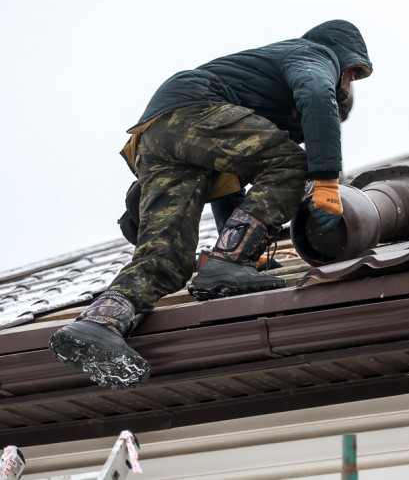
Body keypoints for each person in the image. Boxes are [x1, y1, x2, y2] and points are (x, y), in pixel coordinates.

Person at [48, 20, 373, 390]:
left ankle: (98, 323)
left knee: (167, 257)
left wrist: (240, 253)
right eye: (349, 80)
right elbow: (317, 97)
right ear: (348, 68)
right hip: (197, 110)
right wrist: (327, 177)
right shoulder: (316, 55)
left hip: (159, 133)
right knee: (293, 164)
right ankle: (225, 264)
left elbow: (229, 190)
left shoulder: (254, 102)